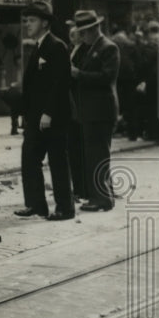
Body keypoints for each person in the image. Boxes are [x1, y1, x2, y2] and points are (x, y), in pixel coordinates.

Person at [14, 1, 75, 221]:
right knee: (29, 158)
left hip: (53, 116)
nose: (27, 24)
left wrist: (48, 113)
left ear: (45, 23)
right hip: (35, 117)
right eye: (26, 20)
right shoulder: (38, 46)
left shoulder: (56, 46)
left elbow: (60, 83)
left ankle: (65, 209)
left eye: (32, 20)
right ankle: (36, 205)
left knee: (58, 161)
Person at [70, 9, 120, 211]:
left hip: (101, 111)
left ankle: (102, 199)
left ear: (93, 29)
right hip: (90, 111)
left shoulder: (109, 48)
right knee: (93, 155)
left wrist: (79, 74)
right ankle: (97, 196)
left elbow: (106, 77)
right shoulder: (88, 48)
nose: (81, 37)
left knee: (98, 155)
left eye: (83, 33)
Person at [66, 21, 88, 203]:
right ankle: (78, 187)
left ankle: (81, 189)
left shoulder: (85, 52)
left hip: (79, 106)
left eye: (75, 33)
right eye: (70, 33)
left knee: (79, 150)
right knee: (73, 150)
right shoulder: (71, 50)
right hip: (71, 106)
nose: (71, 36)